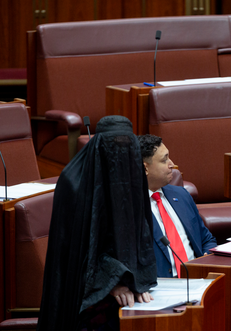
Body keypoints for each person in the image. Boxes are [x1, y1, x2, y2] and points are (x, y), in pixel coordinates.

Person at [37, 116, 157, 331]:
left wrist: (137, 280)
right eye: (114, 147)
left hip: (130, 298)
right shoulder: (72, 184)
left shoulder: (132, 176)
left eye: (128, 148)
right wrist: (113, 282)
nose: (122, 156)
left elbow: (140, 237)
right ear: (98, 146)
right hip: (82, 301)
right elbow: (76, 254)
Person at [138, 134, 217, 278]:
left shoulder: (181, 195)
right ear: (145, 168)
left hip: (198, 279)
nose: (172, 164)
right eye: (164, 160)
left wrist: (207, 258)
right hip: (162, 289)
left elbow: (206, 239)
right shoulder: (131, 208)